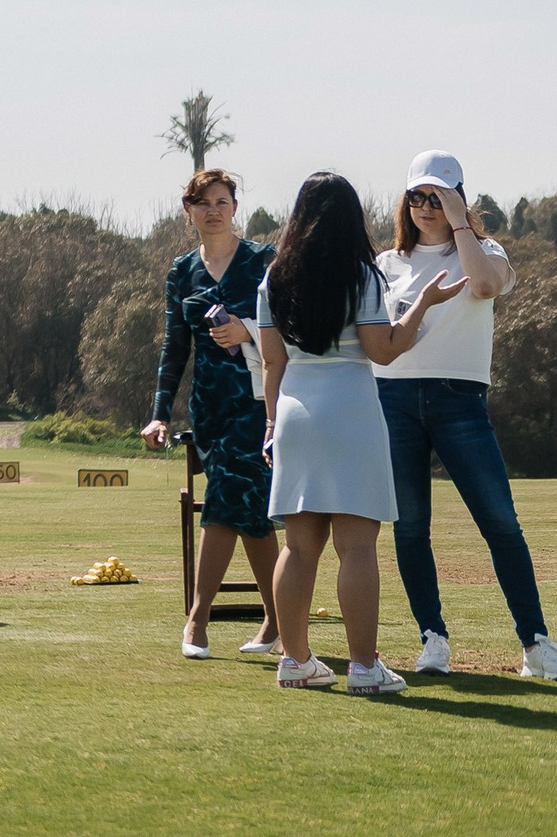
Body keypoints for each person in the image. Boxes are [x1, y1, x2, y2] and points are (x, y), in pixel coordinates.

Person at [255, 172, 464, 694]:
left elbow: (271, 363)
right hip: (350, 413)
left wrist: (271, 426)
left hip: (295, 416)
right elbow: (384, 349)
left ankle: (296, 660)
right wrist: (424, 305)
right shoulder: (362, 276)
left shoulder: (273, 277)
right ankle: (365, 668)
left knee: (299, 548)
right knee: (356, 548)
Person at [375, 152, 557, 680]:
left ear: (458, 197)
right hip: (392, 400)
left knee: (500, 522)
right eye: (417, 196)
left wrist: (460, 222)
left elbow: (484, 287)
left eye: (437, 196)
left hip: (459, 400)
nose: (425, 207)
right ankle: (432, 639)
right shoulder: (385, 262)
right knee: (411, 526)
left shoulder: (486, 251)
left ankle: (535, 643)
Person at [139, 168, 282, 660]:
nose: (213, 210)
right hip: (210, 411)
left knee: (228, 501)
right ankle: (276, 620)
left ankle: (198, 620)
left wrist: (245, 329)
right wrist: (159, 414)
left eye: (222, 201)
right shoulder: (182, 272)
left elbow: (292, 327)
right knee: (248, 512)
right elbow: (173, 350)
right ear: (189, 213)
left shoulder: (265, 260)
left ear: (235, 208)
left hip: (260, 403)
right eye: (203, 203)